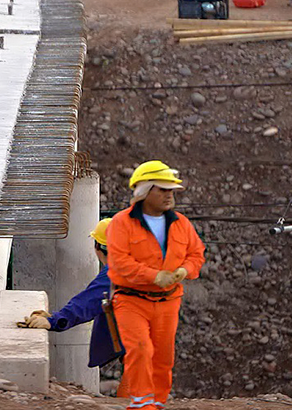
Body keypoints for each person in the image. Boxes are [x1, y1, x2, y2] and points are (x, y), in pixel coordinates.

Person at [108, 161, 206, 410]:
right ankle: (142, 404)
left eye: (171, 190)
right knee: (140, 349)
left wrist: (186, 270)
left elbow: (196, 254)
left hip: (169, 301)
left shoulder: (181, 223)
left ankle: (157, 403)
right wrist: (154, 276)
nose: (169, 195)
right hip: (131, 300)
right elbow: (119, 262)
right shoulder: (121, 223)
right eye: (162, 190)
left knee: (163, 356)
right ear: (144, 191)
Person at [23, 219, 128, 390]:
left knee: (136, 398)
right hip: (153, 345)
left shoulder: (116, 273)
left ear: (98, 248)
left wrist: (54, 321)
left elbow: (88, 302)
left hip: (140, 354)